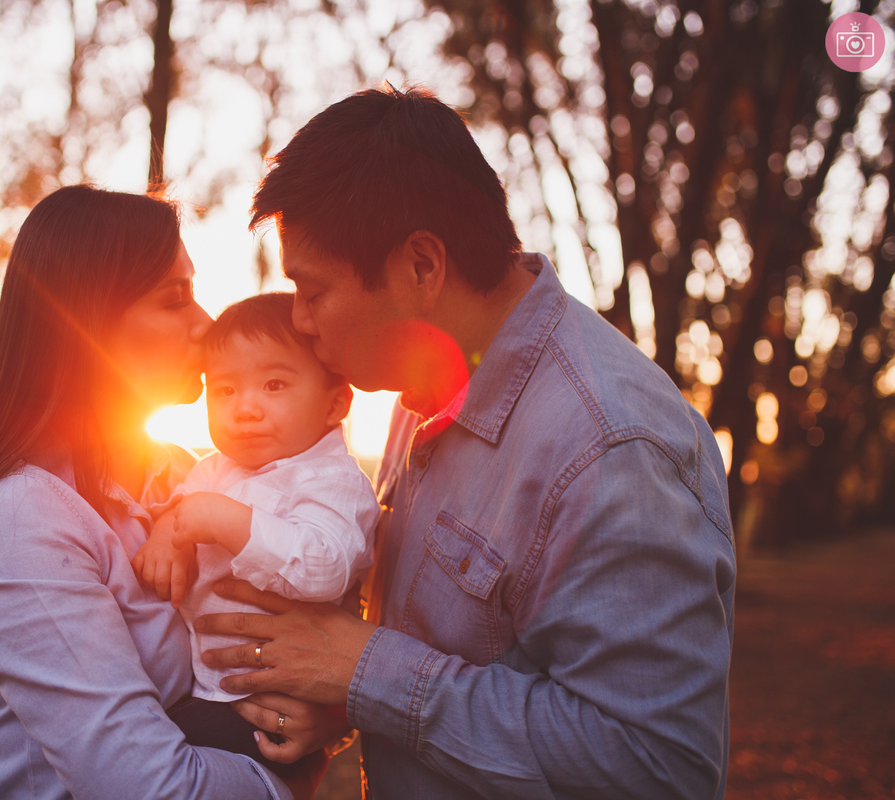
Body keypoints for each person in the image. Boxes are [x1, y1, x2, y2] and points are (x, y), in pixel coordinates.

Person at [194, 86, 736, 800]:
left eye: (313, 291)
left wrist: (366, 673)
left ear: (421, 266)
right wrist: (341, 698)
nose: (299, 320)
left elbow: (654, 765)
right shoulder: (424, 389)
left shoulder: (611, 449)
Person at [0, 185, 343, 799]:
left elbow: (306, 634)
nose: (207, 324)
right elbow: (150, 790)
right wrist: (288, 784)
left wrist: (324, 716)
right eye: (176, 300)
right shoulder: (20, 520)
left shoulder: (191, 477)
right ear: (85, 322)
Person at [130, 292, 379, 771]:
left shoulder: (333, 482)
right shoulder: (214, 468)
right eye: (225, 390)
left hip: (275, 705)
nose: (245, 408)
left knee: (159, 765)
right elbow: (181, 507)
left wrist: (229, 522)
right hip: (207, 689)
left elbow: (324, 567)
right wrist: (165, 537)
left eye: (274, 384)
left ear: (335, 403)